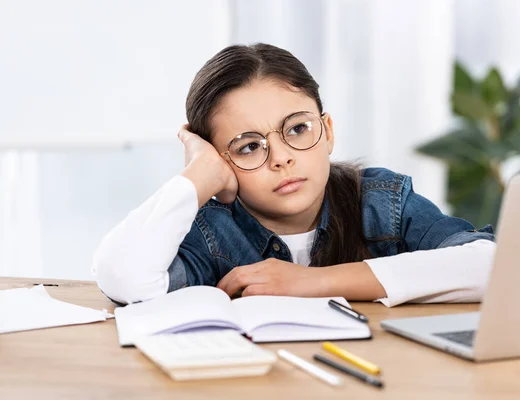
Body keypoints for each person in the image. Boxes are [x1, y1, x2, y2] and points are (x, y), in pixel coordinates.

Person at [92, 43, 496, 306]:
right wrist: (199, 175)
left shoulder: (379, 201)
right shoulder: (213, 233)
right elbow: (122, 277)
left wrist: (313, 283)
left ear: (328, 131)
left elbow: (490, 264)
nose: (281, 158)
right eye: (248, 146)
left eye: (297, 129)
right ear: (221, 163)